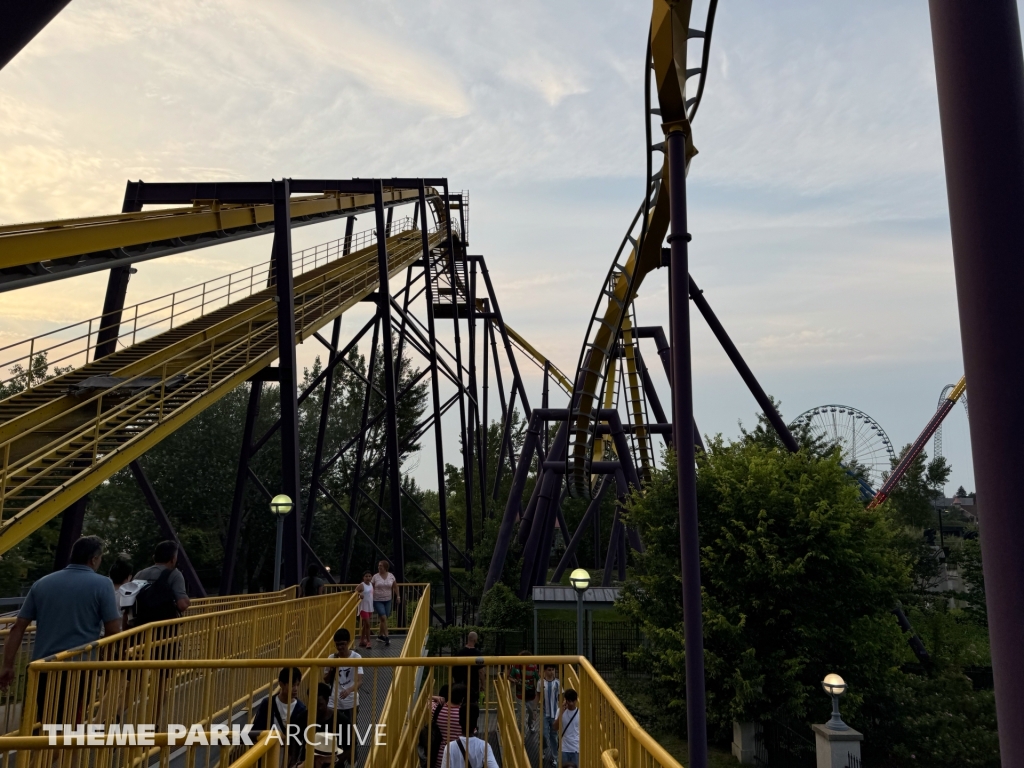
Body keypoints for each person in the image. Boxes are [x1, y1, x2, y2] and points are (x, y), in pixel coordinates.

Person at [0, 536, 122, 720]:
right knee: (71, 722)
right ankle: (63, 749)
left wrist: (8, 665)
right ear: (94, 559)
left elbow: (18, 627)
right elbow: (113, 629)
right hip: (79, 668)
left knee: (47, 719)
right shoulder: (103, 584)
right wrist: (107, 659)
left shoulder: (42, 583)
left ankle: (46, 747)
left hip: (43, 667)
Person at [251, 666, 308, 767]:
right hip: (267, 754)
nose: (295, 689)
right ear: (281, 684)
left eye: (297, 685)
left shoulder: (301, 709)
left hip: (289, 758)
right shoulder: (268, 704)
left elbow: (301, 739)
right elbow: (256, 731)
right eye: (292, 685)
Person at [324, 627, 362, 765]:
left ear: (349, 642)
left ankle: (353, 761)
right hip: (334, 702)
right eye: (337, 644)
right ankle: (334, 760)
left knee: (351, 732)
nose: (340, 647)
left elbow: (359, 680)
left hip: (351, 702)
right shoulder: (331, 658)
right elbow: (326, 680)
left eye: (343, 644)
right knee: (334, 732)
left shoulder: (356, 657)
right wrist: (332, 668)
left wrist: (349, 690)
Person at [133, 540, 190, 624]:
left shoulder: (140, 574)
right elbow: (182, 605)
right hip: (164, 629)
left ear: (154, 557)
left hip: (141, 627)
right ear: (173, 559)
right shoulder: (175, 574)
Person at [452, 631, 484, 733]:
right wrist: (483, 684)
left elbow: (454, 670)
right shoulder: (477, 654)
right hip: (473, 685)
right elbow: (481, 671)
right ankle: (473, 727)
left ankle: (459, 725)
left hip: (460, 685)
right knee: (472, 706)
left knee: (460, 705)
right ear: (475, 640)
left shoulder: (460, 652)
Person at [430, 684, 466, 768]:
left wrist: (434, 697)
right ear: (463, 699)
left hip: (439, 756)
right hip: (458, 757)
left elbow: (426, 701)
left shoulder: (436, 709)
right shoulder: (464, 714)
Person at [507, 650, 539, 732]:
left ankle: (531, 723)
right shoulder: (516, 667)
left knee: (531, 713)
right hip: (520, 694)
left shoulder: (533, 667)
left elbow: (538, 678)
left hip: (530, 694)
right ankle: (521, 734)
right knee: (521, 715)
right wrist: (514, 680)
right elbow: (509, 676)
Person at [371, 559, 396, 646]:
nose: (379, 567)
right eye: (378, 566)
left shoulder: (391, 576)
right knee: (383, 617)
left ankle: (380, 636)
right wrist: (369, 596)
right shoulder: (375, 577)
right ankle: (387, 637)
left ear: (385, 567)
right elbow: (371, 587)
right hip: (377, 600)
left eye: (380, 566)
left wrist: (398, 596)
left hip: (388, 599)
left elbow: (395, 586)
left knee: (383, 619)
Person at [540, 665, 561, 766]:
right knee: (544, 733)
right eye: (549, 670)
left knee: (554, 736)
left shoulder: (558, 682)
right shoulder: (541, 682)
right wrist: (535, 710)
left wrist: (561, 711)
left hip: (555, 713)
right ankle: (543, 749)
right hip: (544, 713)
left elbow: (560, 697)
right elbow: (537, 696)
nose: (551, 672)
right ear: (545, 671)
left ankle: (554, 757)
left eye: (553, 670)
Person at [108, 555, 134, 632]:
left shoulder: (103, 591)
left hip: (100, 634)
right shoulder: (128, 596)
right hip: (119, 635)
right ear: (128, 577)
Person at [555, 689, 580, 767]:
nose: (571, 703)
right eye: (569, 701)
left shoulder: (580, 713)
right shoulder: (560, 711)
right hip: (564, 748)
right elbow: (555, 727)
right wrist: (561, 712)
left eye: (573, 701)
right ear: (565, 700)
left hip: (576, 748)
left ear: (576, 700)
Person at [358, 571, 374, 648]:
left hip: (370, 606)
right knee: (367, 624)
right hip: (363, 607)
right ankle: (368, 642)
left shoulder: (371, 584)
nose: (368, 578)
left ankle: (361, 640)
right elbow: (355, 592)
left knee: (365, 624)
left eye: (369, 576)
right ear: (363, 577)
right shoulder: (361, 585)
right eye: (366, 576)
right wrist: (359, 594)